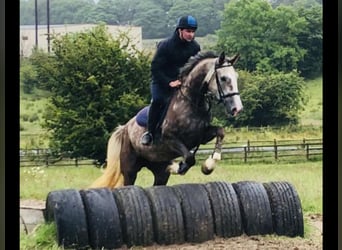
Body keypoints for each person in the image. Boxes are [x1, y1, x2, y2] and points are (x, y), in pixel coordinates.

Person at [140, 15, 201, 145]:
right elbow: (155, 68)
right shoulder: (166, 46)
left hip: (182, 83)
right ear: (180, 30)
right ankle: (150, 133)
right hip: (161, 81)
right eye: (188, 31)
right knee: (158, 100)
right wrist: (169, 82)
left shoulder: (195, 47)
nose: (191, 35)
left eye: (193, 31)